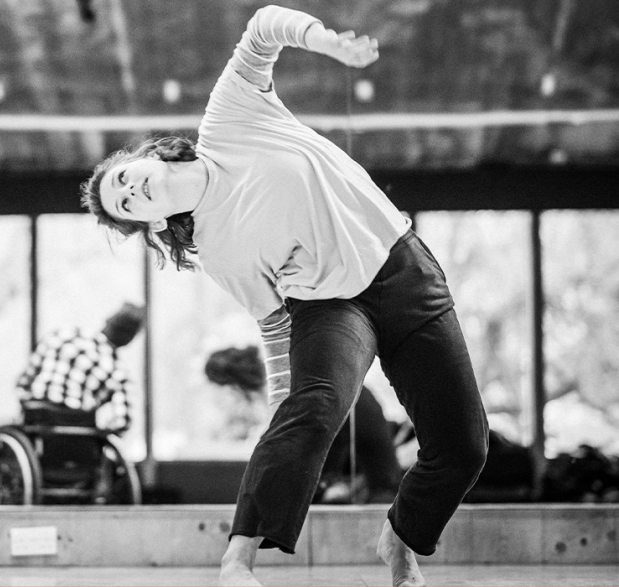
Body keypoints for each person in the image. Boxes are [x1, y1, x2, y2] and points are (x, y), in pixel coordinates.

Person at [81, 6, 487, 586]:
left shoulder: (227, 119)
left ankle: (401, 536)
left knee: (464, 446)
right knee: (313, 407)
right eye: (125, 206)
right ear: (149, 224)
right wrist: (282, 412)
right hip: (331, 307)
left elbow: (264, 24)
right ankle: (238, 559)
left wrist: (323, 41)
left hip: (404, 270)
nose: (129, 191)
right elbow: (275, 327)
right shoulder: (219, 254)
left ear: (146, 157)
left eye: (122, 177)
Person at [205, 346, 402, 505]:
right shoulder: (296, 387)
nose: (228, 415)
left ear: (235, 391)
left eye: (223, 402)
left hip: (377, 497)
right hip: (366, 486)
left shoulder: (298, 397)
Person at [15, 302, 144, 435]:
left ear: (107, 321)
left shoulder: (60, 335)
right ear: (130, 339)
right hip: (77, 430)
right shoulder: (118, 371)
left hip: (35, 421)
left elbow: (24, 382)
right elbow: (122, 421)